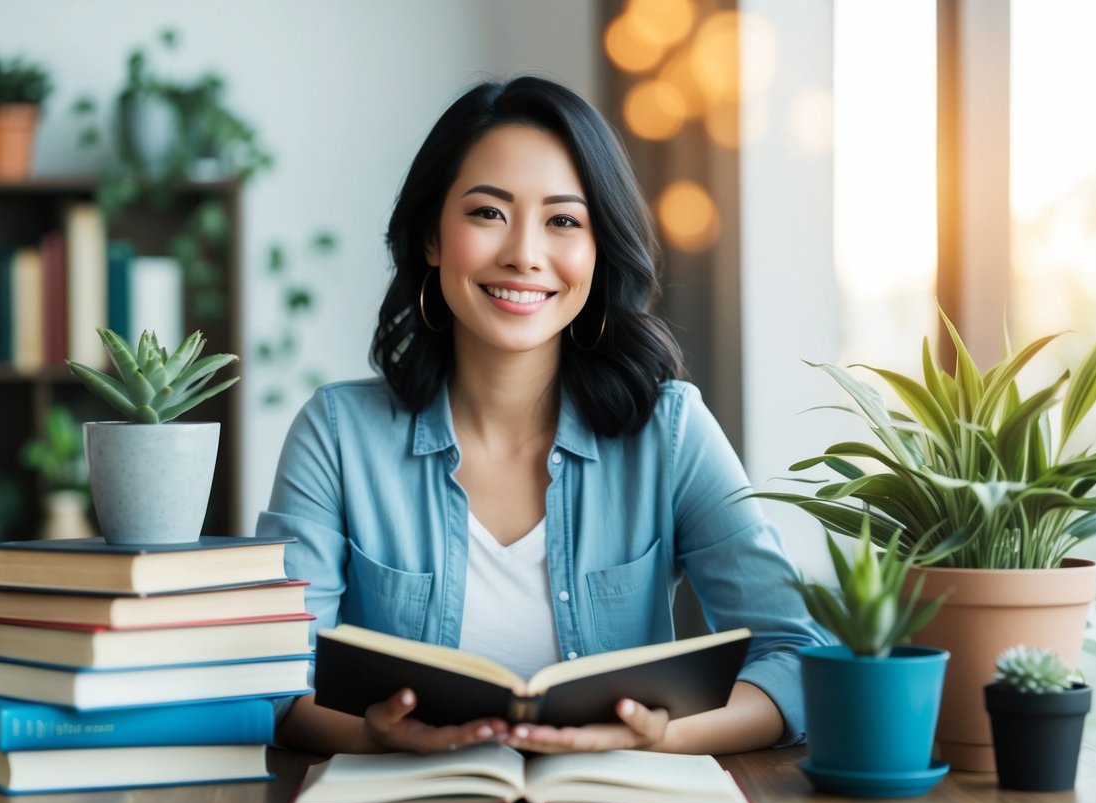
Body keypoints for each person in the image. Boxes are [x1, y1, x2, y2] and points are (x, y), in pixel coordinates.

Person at [257, 75, 826, 757]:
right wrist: (373, 738)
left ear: (597, 250)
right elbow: (276, 679)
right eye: (487, 213)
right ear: (432, 238)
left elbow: (794, 654)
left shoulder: (670, 431)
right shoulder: (336, 433)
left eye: (563, 220)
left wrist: (658, 739)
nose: (524, 253)